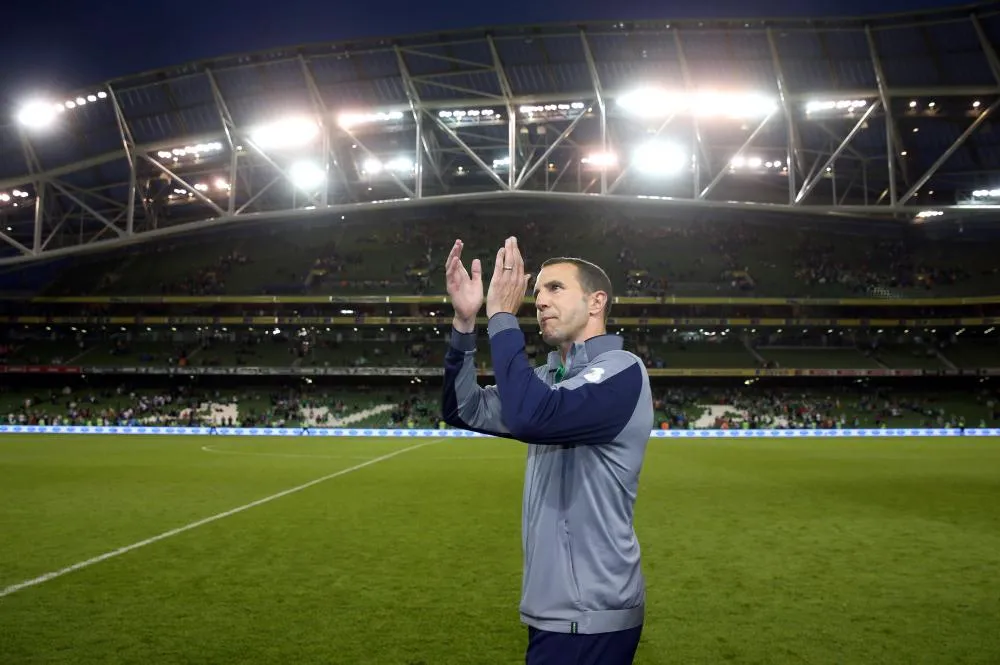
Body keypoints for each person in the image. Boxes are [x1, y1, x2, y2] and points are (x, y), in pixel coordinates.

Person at [442, 236, 653, 665]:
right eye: (536, 291)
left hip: (591, 613)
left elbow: (533, 416)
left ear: (596, 303)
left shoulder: (622, 371)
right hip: (555, 610)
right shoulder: (549, 378)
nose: (539, 300)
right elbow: (463, 409)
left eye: (555, 288)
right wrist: (465, 325)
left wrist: (501, 314)